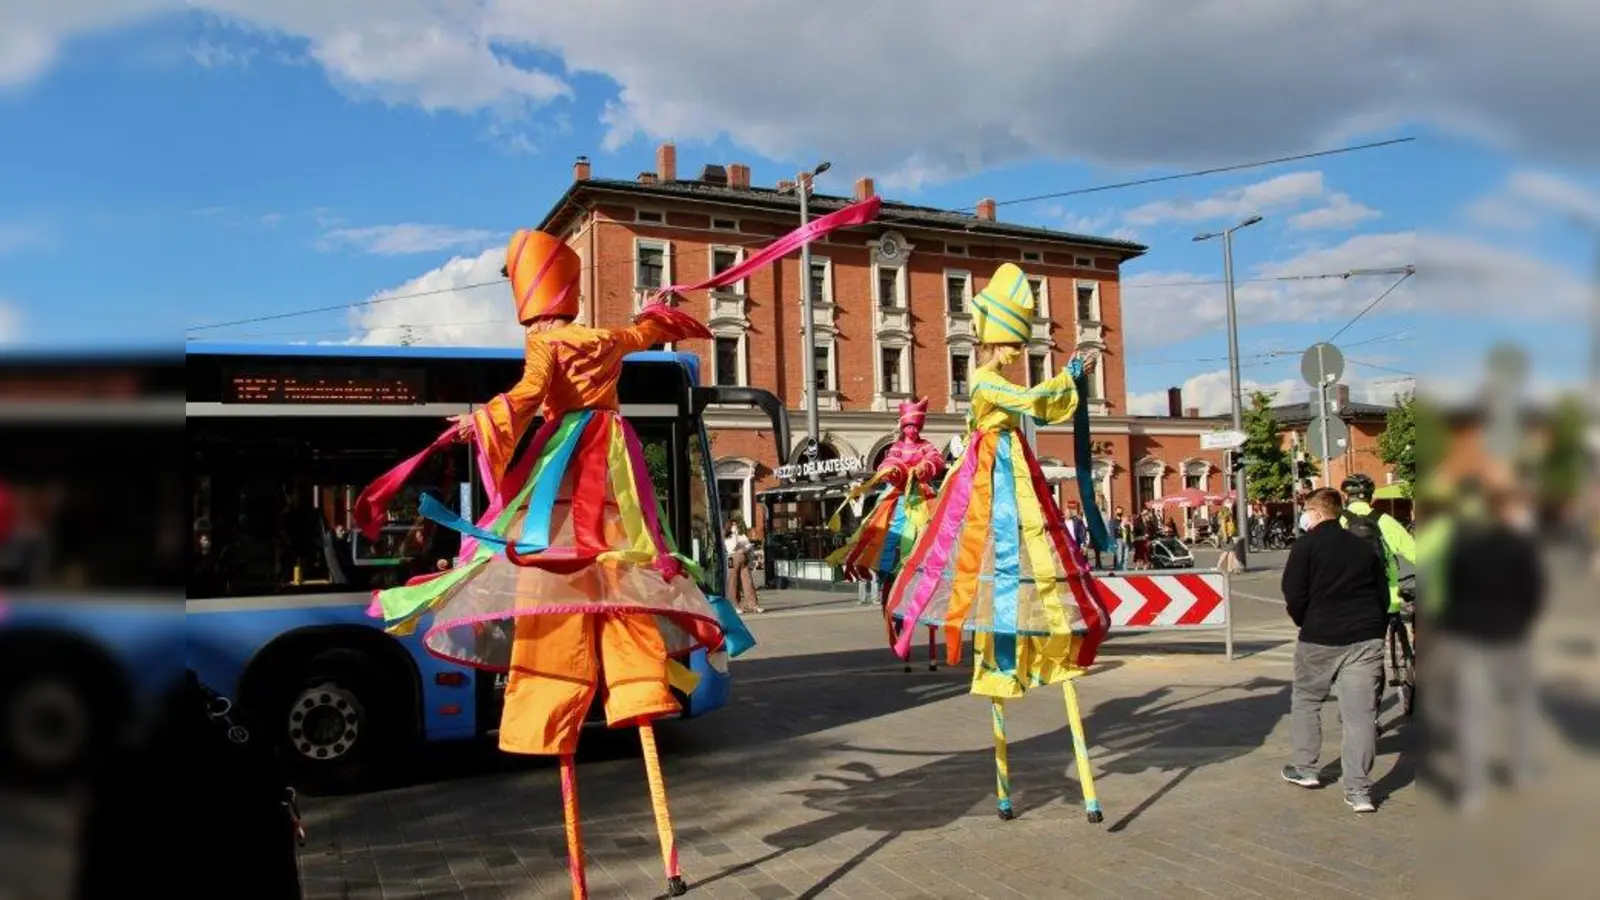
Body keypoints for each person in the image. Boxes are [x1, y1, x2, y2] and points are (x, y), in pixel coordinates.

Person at [885, 264, 1113, 825]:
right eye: (1010, 344)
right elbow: (1032, 400)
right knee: (987, 560)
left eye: (1018, 345)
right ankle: (1001, 681)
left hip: (1016, 479)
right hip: (992, 486)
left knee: (1036, 552)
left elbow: (1036, 402)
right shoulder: (988, 383)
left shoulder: (997, 384)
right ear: (993, 342)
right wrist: (1069, 377)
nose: (1014, 352)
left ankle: (1040, 669)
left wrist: (1067, 381)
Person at [1428, 475, 1545, 814]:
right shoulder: (1521, 547)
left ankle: (1472, 790)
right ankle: (1521, 771)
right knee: (1520, 709)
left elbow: (1449, 590)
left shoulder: (1464, 546)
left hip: (1471, 637)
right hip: (1511, 637)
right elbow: (1533, 594)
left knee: (1474, 715)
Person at [1280, 488, 1391, 813]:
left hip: (1320, 636)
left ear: (1315, 513)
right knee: (1361, 716)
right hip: (1366, 636)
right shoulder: (1364, 547)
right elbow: (1382, 592)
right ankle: (1359, 792)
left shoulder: (1305, 546)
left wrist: (1307, 620)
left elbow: (1293, 593)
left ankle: (1306, 769)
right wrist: (1376, 628)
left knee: (1307, 699)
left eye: (1305, 511)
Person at [827, 397, 944, 671]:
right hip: (898, 505)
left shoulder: (926, 446)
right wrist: (892, 471)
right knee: (890, 543)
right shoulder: (895, 448)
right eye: (909, 426)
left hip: (924, 502)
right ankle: (895, 597)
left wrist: (924, 467)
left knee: (935, 541)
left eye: (917, 426)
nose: (913, 431)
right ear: (903, 427)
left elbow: (936, 459)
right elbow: (887, 464)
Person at [724, 520, 764, 614]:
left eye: (736, 525)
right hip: (732, 559)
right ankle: (734, 605)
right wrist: (735, 534)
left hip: (743, 559)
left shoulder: (743, 537)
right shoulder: (728, 538)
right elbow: (732, 547)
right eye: (733, 525)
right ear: (729, 528)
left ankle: (753, 605)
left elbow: (749, 547)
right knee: (733, 582)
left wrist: (744, 549)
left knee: (748, 582)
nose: (735, 526)